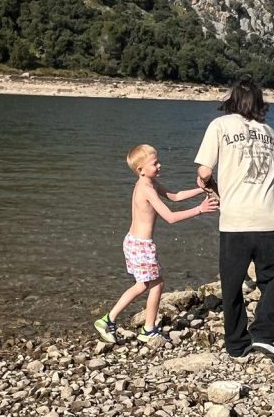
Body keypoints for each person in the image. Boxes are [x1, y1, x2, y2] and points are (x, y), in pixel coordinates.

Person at [194, 79, 274, 361]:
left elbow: (203, 170)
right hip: (268, 217)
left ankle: (237, 344)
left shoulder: (220, 126)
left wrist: (208, 182)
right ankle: (264, 332)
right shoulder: (270, 132)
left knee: (232, 283)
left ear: (232, 100)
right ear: (260, 103)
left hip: (235, 220)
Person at [93, 144, 218, 345]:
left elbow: (175, 196)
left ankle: (108, 320)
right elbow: (170, 217)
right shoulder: (146, 188)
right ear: (140, 169)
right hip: (141, 245)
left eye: (158, 161)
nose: (159, 165)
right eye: (154, 163)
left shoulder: (149, 183)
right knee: (157, 283)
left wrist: (200, 190)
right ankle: (148, 329)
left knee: (143, 284)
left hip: (133, 242)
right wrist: (200, 209)